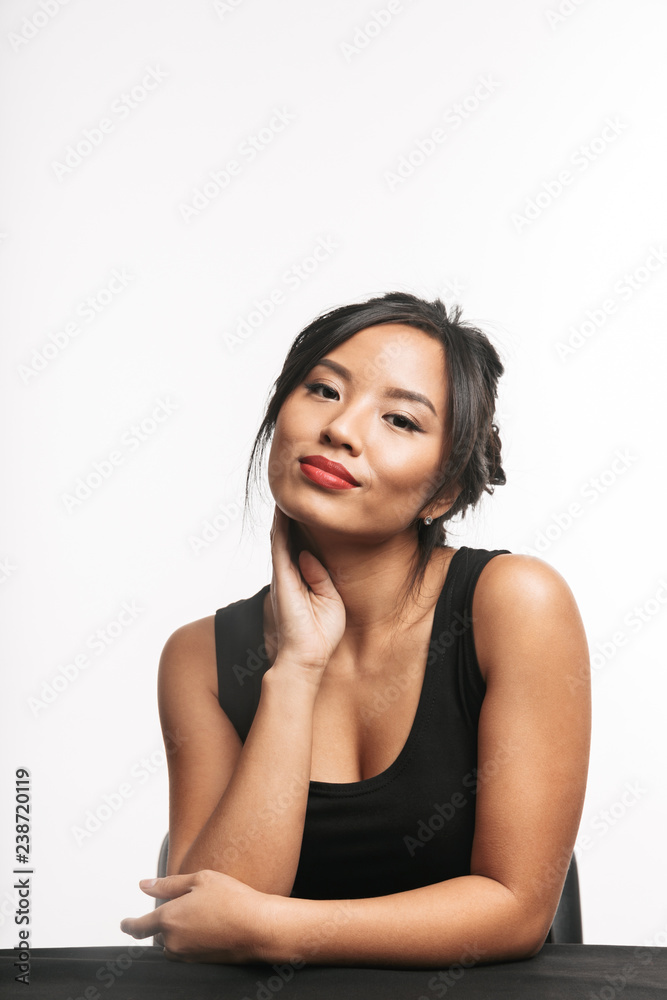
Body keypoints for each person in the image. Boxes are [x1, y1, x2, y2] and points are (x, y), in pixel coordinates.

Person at [120, 291, 591, 968]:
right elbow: (204, 926)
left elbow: (515, 907)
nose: (341, 427)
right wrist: (294, 672)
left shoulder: (514, 605)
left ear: (443, 491)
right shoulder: (198, 659)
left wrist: (281, 929)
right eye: (322, 389)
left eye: (399, 419)